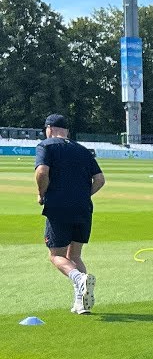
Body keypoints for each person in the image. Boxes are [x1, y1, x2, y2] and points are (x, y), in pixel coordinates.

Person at [35, 113, 105, 315]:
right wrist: (83, 195)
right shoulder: (82, 150)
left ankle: (79, 278)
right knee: (74, 255)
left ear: (49, 129)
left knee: (55, 256)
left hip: (58, 207)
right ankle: (81, 303)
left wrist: (41, 194)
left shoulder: (46, 146)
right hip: (83, 208)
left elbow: (42, 172)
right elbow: (100, 179)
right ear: (67, 131)